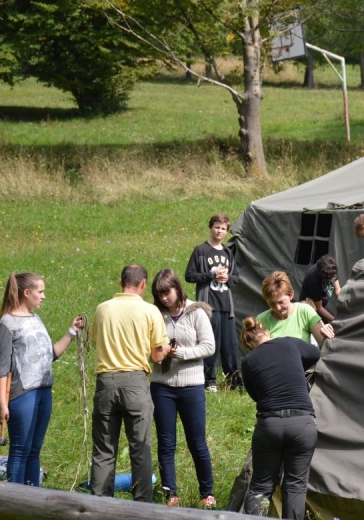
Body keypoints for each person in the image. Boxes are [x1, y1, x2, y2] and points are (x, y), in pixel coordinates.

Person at [0, 272, 83, 486]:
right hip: (23, 394)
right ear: (26, 292)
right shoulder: (7, 323)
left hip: (44, 391)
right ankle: (13, 500)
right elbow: (2, 368)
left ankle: (33, 498)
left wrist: (71, 332)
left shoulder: (36, 318)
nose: (43, 296)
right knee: (20, 450)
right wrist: (2, 404)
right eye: (40, 292)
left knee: (34, 450)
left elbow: (49, 355)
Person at [90, 264, 169, 503]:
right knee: (140, 449)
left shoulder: (102, 309)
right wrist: (166, 349)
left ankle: (98, 505)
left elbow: (95, 341)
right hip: (135, 382)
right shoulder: (150, 311)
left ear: (121, 282)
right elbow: (157, 355)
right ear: (143, 283)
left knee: (103, 451)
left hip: (105, 382)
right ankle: (142, 507)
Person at [240, 317, 320, 520]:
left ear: (249, 345)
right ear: (267, 332)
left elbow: (256, 395)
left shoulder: (248, 361)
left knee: (261, 486)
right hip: (302, 423)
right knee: (295, 486)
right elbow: (316, 354)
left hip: (270, 424)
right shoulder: (289, 343)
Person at [150, 269, 217, 508]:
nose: (164, 298)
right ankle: (170, 494)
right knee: (166, 443)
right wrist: (159, 354)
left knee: (197, 442)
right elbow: (147, 348)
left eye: (167, 292)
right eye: (159, 294)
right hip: (162, 387)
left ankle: (207, 493)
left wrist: (182, 353)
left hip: (192, 387)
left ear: (177, 288)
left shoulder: (196, 312)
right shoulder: (155, 314)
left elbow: (209, 346)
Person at [185, 213, 241, 392]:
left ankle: (233, 381)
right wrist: (211, 275)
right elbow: (189, 275)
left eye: (223, 228)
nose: (219, 231)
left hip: (227, 306)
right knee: (210, 343)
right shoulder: (201, 250)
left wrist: (227, 278)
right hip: (209, 306)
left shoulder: (227, 252)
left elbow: (236, 278)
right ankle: (209, 381)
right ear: (210, 228)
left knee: (230, 345)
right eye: (217, 227)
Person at [256, 271, 334, 346]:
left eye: (281, 302)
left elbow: (324, 345)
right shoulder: (260, 321)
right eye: (272, 303)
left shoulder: (305, 311)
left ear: (291, 295)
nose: (278, 308)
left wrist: (327, 335)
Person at [297, 254, 341, 324]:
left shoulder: (332, 268)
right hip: (310, 307)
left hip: (322, 303)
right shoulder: (313, 279)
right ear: (322, 274)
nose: (330, 278)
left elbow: (338, 290)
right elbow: (319, 308)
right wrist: (336, 321)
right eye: (328, 278)